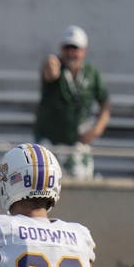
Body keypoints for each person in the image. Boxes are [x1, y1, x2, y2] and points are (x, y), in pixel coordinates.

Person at [34, 26, 110, 181]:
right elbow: (49, 72)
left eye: (75, 48)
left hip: (77, 144)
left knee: (80, 180)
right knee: (45, 183)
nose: (70, 52)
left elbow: (105, 103)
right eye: (67, 47)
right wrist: (50, 64)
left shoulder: (91, 73)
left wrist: (97, 129)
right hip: (50, 142)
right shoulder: (57, 68)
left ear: (84, 50)